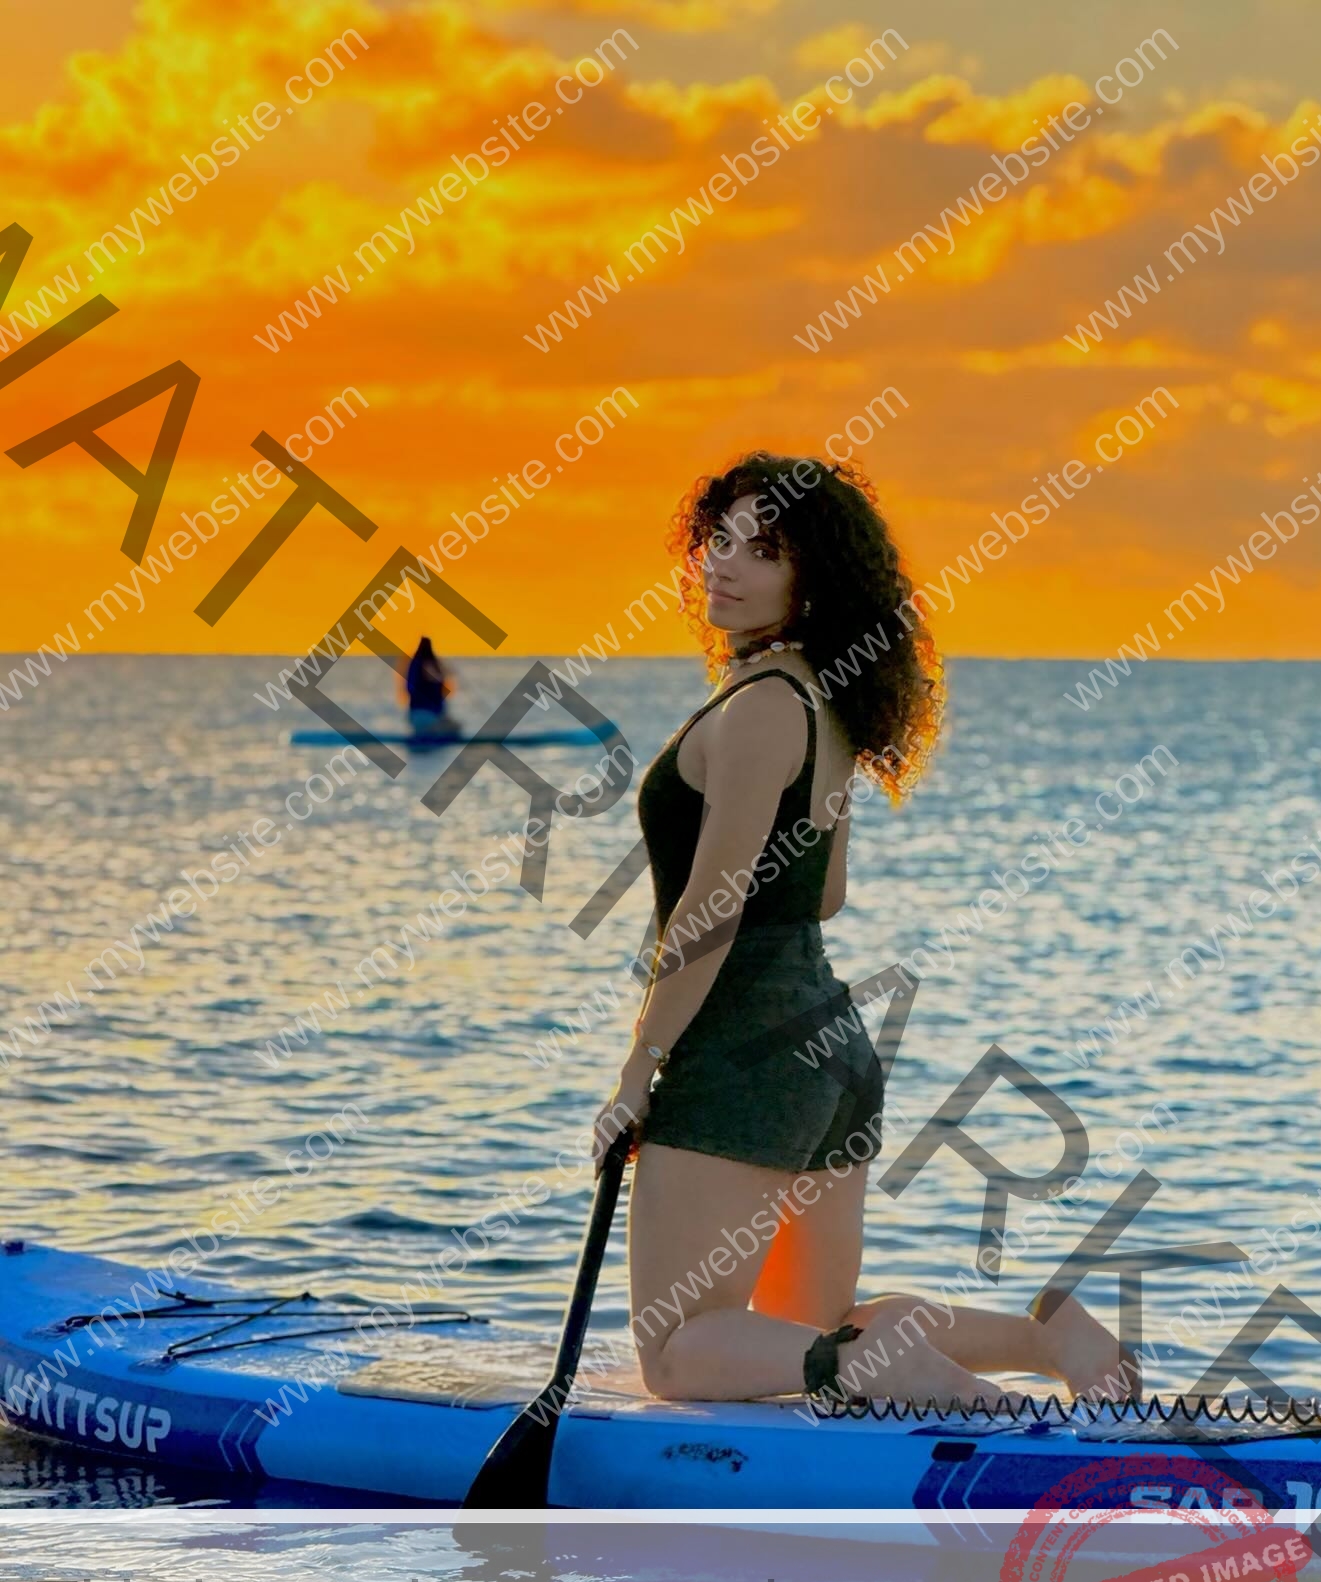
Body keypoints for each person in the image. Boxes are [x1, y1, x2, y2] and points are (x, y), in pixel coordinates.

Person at [593, 452, 1139, 1412]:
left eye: (763, 549)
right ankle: (1043, 1337)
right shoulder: (819, 700)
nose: (725, 563)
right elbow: (825, 893)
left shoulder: (760, 709)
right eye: (719, 539)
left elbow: (712, 912)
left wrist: (639, 1071)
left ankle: (878, 1367)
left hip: (743, 1056)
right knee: (812, 1324)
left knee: (678, 1352)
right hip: (830, 1047)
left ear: (813, 580)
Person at [402, 636, 459, 738]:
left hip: (416, 713)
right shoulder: (429, 664)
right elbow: (444, 676)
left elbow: (408, 687)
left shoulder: (415, 665)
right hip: (430, 714)